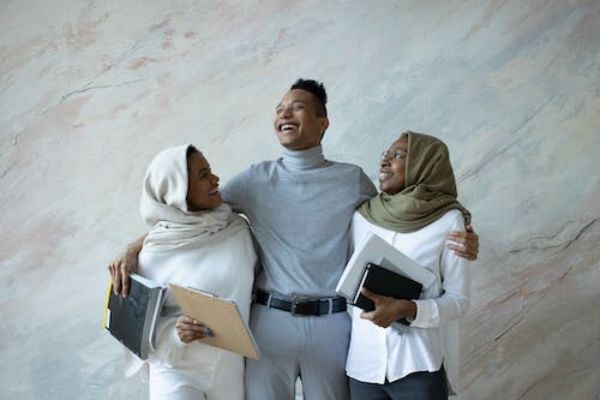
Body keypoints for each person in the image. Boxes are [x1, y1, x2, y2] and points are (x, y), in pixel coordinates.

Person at [109, 79, 479, 400]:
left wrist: (463, 231)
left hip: (334, 324)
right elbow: (193, 214)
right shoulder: (255, 180)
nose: (285, 113)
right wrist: (133, 248)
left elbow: (398, 214)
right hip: (269, 323)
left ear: (322, 123)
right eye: (279, 109)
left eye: (297, 107)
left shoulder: (352, 180)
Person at [108, 145, 257, 400]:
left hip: (231, 369)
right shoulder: (151, 253)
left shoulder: (237, 230)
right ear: (178, 191)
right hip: (175, 369)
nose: (215, 179)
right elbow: (136, 335)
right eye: (203, 175)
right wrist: (176, 333)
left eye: (210, 170)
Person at [346, 131, 471, 400]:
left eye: (398, 155)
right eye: (386, 155)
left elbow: (459, 300)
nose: (385, 162)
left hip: (417, 367)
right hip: (363, 366)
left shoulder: (448, 219)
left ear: (424, 164)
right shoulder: (362, 217)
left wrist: (409, 309)